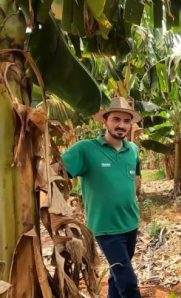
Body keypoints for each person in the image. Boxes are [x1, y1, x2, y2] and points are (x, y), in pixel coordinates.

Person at [61, 97, 143, 298]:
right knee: (129, 284)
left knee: (117, 277)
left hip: (130, 223)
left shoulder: (132, 149)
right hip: (106, 228)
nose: (121, 125)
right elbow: (55, 173)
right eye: (116, 119)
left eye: (126, 121)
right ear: (104, 121)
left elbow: (136, 177)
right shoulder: (85, 149)